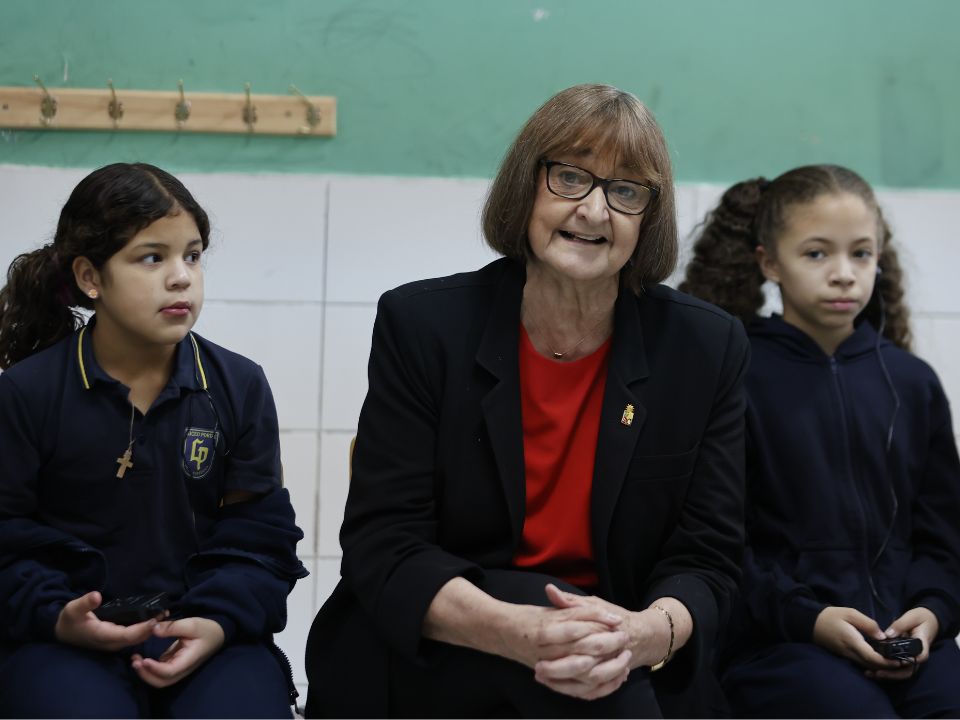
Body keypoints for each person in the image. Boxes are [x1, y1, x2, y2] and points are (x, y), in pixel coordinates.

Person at [305, 83, 748, 718]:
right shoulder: (423, 326)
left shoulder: (705, 347)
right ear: (526, 186)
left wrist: (644, 635)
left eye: (625, 191)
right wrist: (521, 631)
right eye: (570, 177)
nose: (594, 210)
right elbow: (386, 543)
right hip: (447, 637)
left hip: (618, 643)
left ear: (648, 217)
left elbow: (709, 557)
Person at [0, 163, 308, 718]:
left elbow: (260, 537)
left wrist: (216, 621)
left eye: (192, 255)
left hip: (205, 632)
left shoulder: (239, 385)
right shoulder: (27, 393)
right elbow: (6, 540)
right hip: (61, 640)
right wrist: (59, 616)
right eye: (151, 257)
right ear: (91, 277)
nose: (181, 277)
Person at [679, 164, 960, 718]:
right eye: (816, 254)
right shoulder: (735, 375)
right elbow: (719, 545)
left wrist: (932, 613)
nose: (844, 275)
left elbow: (944, 540)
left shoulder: (912, 383)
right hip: (781, 643)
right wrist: (811, 618)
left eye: (861, 253)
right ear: (769, 262)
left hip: (905, 641)